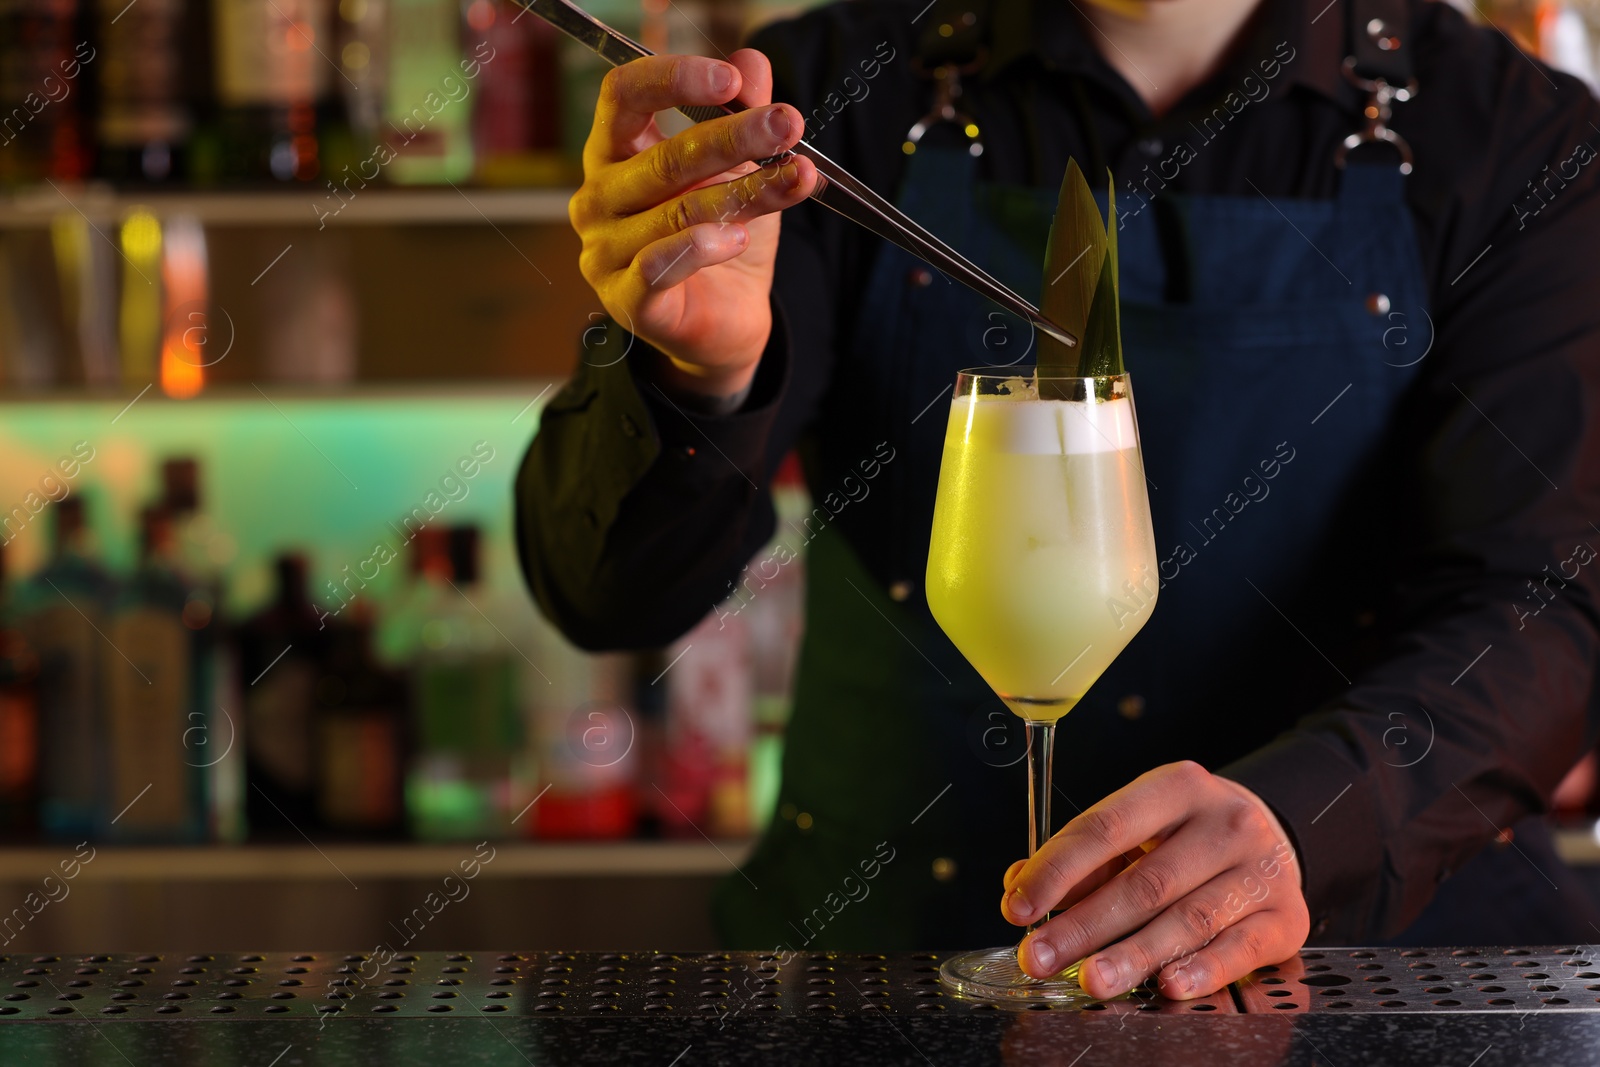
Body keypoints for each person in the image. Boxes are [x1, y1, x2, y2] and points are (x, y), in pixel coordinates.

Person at [516, 0, 1600, 1000]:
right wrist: (694, 379)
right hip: (887, 965)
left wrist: (1321, 815)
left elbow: (1545, 604)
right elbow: (605, 596)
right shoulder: (825, 100)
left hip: (1365, 977)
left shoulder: (1519, 139)